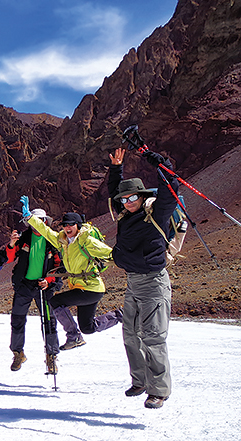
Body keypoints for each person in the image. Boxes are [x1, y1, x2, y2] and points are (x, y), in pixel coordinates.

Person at [108, 147, 179, 409]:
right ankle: (140, 381)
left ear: (143, 196)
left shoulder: (156, 214)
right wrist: (116, 168)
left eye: (132, 197)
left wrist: (161, 162)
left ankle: (159, 390)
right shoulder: (125, 214)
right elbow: (113, 192)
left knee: (153, 337)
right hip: (133, 283)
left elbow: (171, 188)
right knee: (130, 335)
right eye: (124, 198)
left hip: (153, 283)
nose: (127, 201)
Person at [21, 198, 121, 375]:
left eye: (71, 225)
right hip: (82, 289)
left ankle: (73, 336)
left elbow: (110, 253)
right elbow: (45, 231)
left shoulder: (87, 241)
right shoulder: (63, 241)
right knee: (88, 327)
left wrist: (132, 260)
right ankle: (119, 315)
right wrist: (29, 217)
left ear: (78, 226)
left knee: (56, 301)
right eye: (65, 225)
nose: (67, 228)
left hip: (91, 288)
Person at [0, 208, 63, 373]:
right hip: (24, 286)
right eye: (34, 221)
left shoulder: (52, 240)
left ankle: (51, 356)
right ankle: (18, 353)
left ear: (45, 222)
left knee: (49, 322)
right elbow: (8, 258)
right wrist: (11, 244)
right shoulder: (24, 238)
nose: (37, 224)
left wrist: (49, 280)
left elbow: (59, 266)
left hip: (44, 287)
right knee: (17, 320)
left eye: (40, 220)